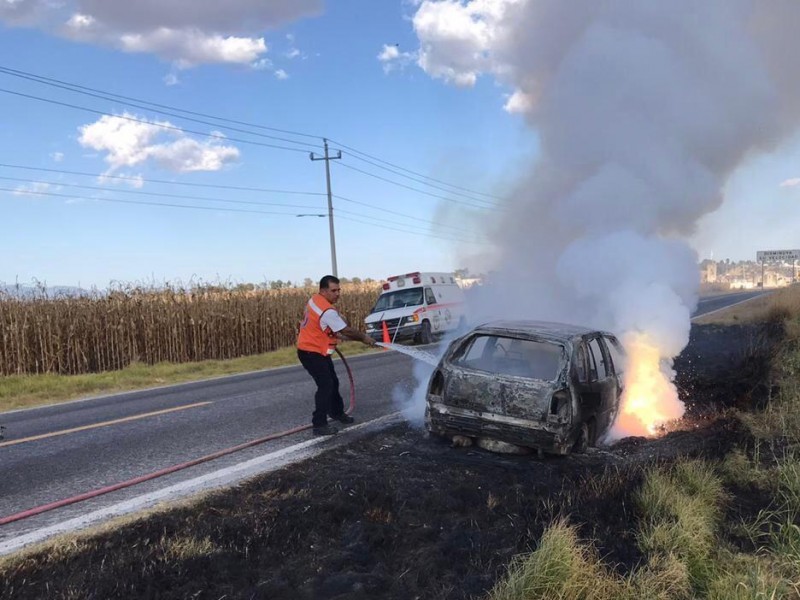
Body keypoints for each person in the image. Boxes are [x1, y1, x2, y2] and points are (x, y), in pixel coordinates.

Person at [297, 275, 377, 435]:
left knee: (333, 382)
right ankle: (319, 424)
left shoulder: (315, 300)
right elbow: (345, 330)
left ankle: (336, 412)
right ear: (323, 291)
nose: (338, 293)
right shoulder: (327, 311)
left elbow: (330, 329)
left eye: (339, 290)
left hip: (316, 350)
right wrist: (364, 338)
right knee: (325, 385)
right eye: (334, 291)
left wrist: (344, 335)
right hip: (311, 352)